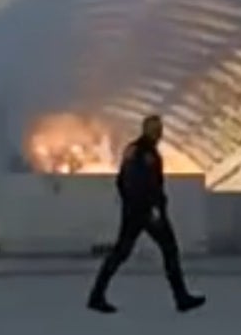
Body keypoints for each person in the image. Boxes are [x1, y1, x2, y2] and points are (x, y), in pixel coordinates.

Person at [87, 114, 206, 314]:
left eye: (159, 130)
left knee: (121, 252)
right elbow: (144, 183)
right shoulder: (146, 153)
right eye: (156, 130)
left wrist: (131, 205)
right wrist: (151, 207)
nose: (159, 134)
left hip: (135, 211)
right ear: (149, 131)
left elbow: (122, 181)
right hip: (146, 211)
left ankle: (96, 295)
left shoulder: (133, 150)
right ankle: (181, 297)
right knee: (169, 249)